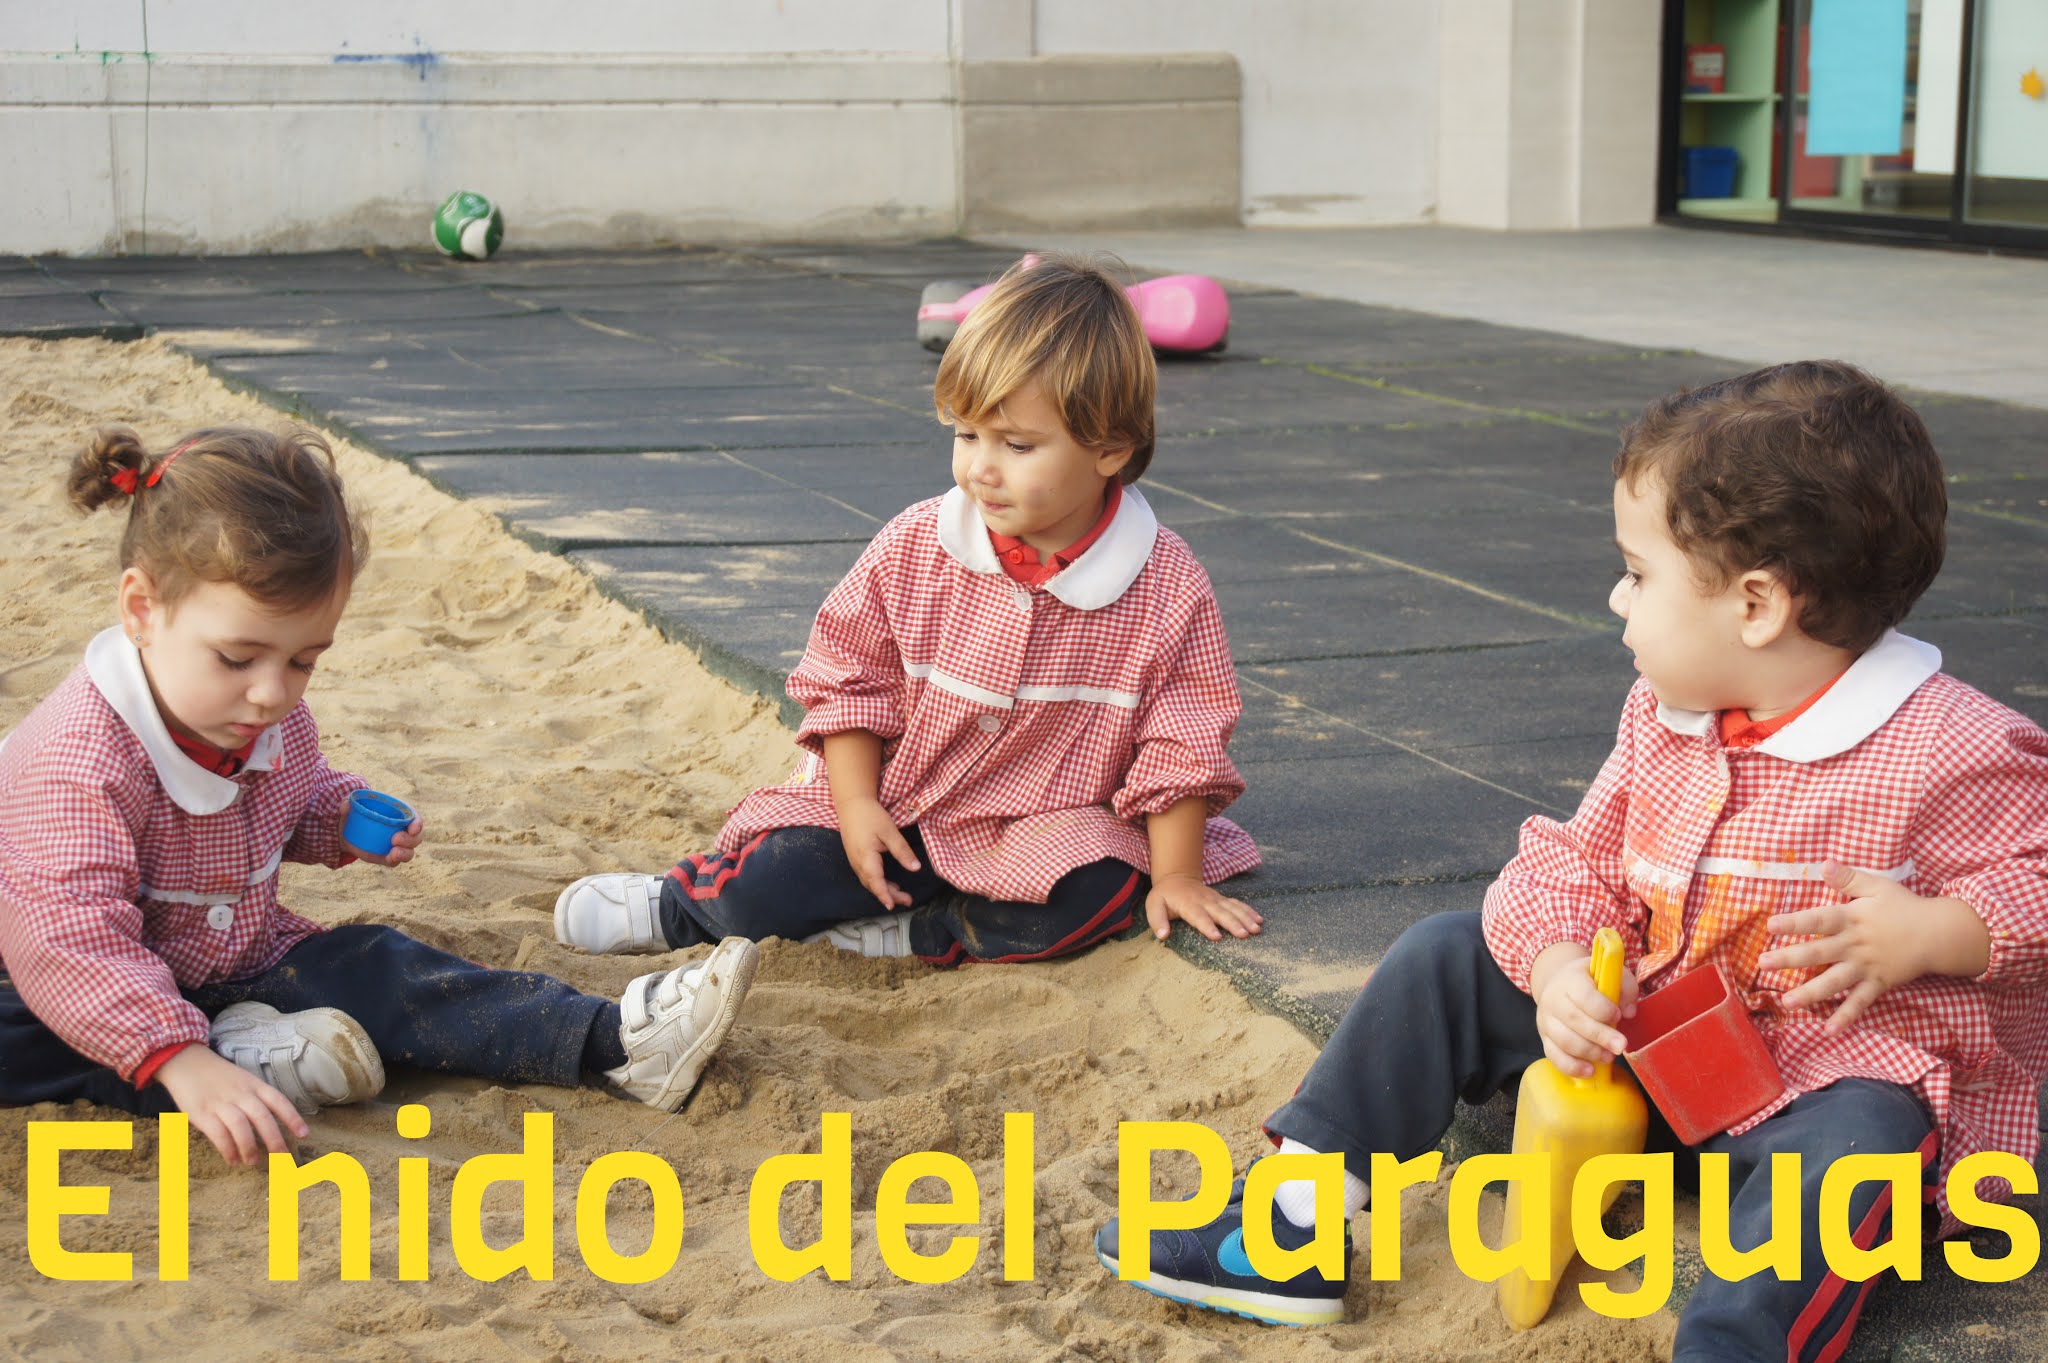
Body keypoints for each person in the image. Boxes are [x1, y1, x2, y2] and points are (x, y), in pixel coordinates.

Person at [1095, 360, 2048, 1358]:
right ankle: (1290, 1224)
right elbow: (1569, 866)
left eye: (1639, 573)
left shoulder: (1947, 744)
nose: (1616, 597)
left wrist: (1940, 932)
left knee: (1859, 1146)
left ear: (1757, 605)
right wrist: (1557, 973)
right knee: (1445, 953)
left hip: (1816, 1081)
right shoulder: (1666, 715)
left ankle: (1733, 1342)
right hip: (1648, 1050)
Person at [0, 425, 759, 1169]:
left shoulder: (261, 716)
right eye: (237, 658)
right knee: (25, 1039)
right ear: (141, 609)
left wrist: (337, 819)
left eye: (303, 660)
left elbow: (288, 797)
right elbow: (69, 939)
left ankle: (617, 1044)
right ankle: (223, 1056)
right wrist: (182, 1059)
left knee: (385, 969)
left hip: (237, 956)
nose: (271, 692)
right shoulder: (79, 763)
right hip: (52, 975)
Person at [554, 254, 1263, 966]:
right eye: (967, 435)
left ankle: (916, 936)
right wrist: (857, 806)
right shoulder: (917, 545)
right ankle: (678, 905)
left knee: (1104, 889)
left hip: (1037, 829)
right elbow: (850, 680)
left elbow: (1181, 741)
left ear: (1110, 449)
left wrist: (1177, 876)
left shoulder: (1166, 586)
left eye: (1017, 445)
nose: (982, 467)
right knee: (782, 874)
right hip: (894, 800)